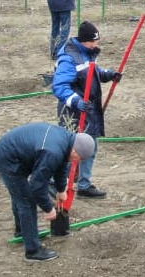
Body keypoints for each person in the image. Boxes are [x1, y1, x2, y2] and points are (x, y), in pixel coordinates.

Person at [0, 122, 96, 262]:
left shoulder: (66, 140)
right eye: (80, 159)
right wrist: (48, 208)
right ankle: (33, 251)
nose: (78, 161)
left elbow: (61, 166)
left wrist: (61, 189)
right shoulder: (53, 151)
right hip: (7, 159)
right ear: (75, 151)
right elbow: (37, 186)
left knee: (20, 197)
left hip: (17, 155)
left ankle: (22, 232)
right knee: (26, 201)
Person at [52, 21, 122, 198]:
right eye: (93, 42)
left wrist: (109, 74)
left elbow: (93, 71)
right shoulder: (69, 57)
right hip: (73, 114)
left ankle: (84, 184)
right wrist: (76, 101)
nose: (96, 45)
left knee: (91, 147)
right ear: (83, 41)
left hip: (89, 111)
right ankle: (58, 184)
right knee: (69, 150)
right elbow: (59, 87)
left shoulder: (87, 53)